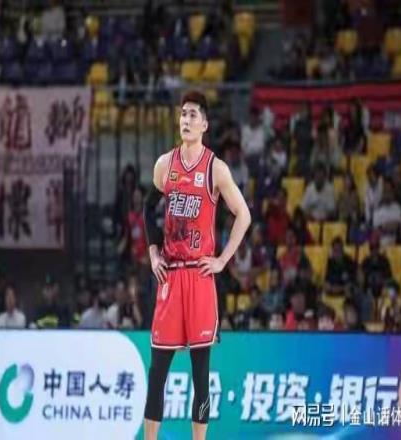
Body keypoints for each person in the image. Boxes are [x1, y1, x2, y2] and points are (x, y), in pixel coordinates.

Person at [143, 90, 251, 440]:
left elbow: (244, 215)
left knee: (200, 375)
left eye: (193, 115)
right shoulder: (165, 165)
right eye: (183, 114)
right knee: (157, 372)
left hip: (200, 276)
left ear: (205, 124)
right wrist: (153, 252)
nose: (186, 120)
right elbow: (147, 208)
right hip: (171, 276)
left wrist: (222, 260)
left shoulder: (215, 168)